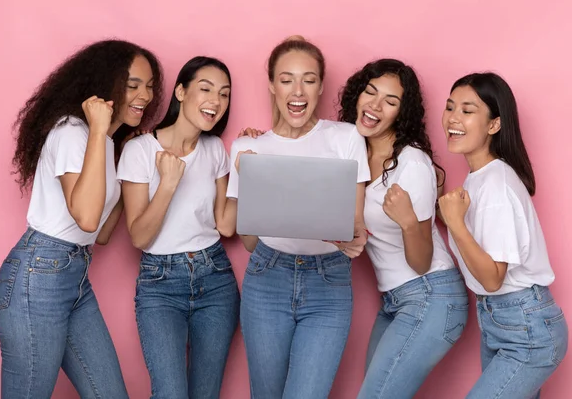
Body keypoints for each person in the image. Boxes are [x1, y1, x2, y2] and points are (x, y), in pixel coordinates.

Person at [0, 39, 164, 399]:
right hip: (37, 280)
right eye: (133, 85)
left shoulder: (102, 143)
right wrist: (101, 130)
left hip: (73, 279)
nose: (145, 96)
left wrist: (123, 156)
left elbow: (99, 234)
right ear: (105, 85)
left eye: (149, 86)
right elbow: (86, 217)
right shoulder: (74, 132)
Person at [227, 35, 371, 399]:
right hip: (267, 277)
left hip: (329, 282)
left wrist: (354, 239)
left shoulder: (346, 138)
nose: (298, 90)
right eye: (287, 78)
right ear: (272, 85)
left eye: (308, 79)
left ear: (321, 86)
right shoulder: (248, 148)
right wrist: (252, 183)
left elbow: (354, 221)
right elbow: (246, 241)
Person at [336, 58, 469, 399]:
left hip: (430, 293)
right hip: (395, 298)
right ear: (356, 95)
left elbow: (422, 261)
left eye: (390, 102)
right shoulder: (350, 153)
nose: (375, 106)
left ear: (401, 114)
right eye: (370, 92)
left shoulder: (411, 163)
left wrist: (409, 220)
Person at [439, 72, 568, 398]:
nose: (453, 118)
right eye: (450, 107)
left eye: (467, 111)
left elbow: (493, 278)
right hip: (502, 322)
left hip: (525, 328)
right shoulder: (479, 179)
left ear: (494, 125)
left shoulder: (496, 184)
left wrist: (456, 223)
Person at [118, 56, 239, 399]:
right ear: (181, 92)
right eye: (206, 89)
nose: (216, 100)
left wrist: (248, 173)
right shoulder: (139, 150)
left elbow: (225, 226)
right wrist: (168, 184)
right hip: (160, 284)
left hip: (215, 277)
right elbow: (139, 236)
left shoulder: (215, 148)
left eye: (224, 94)